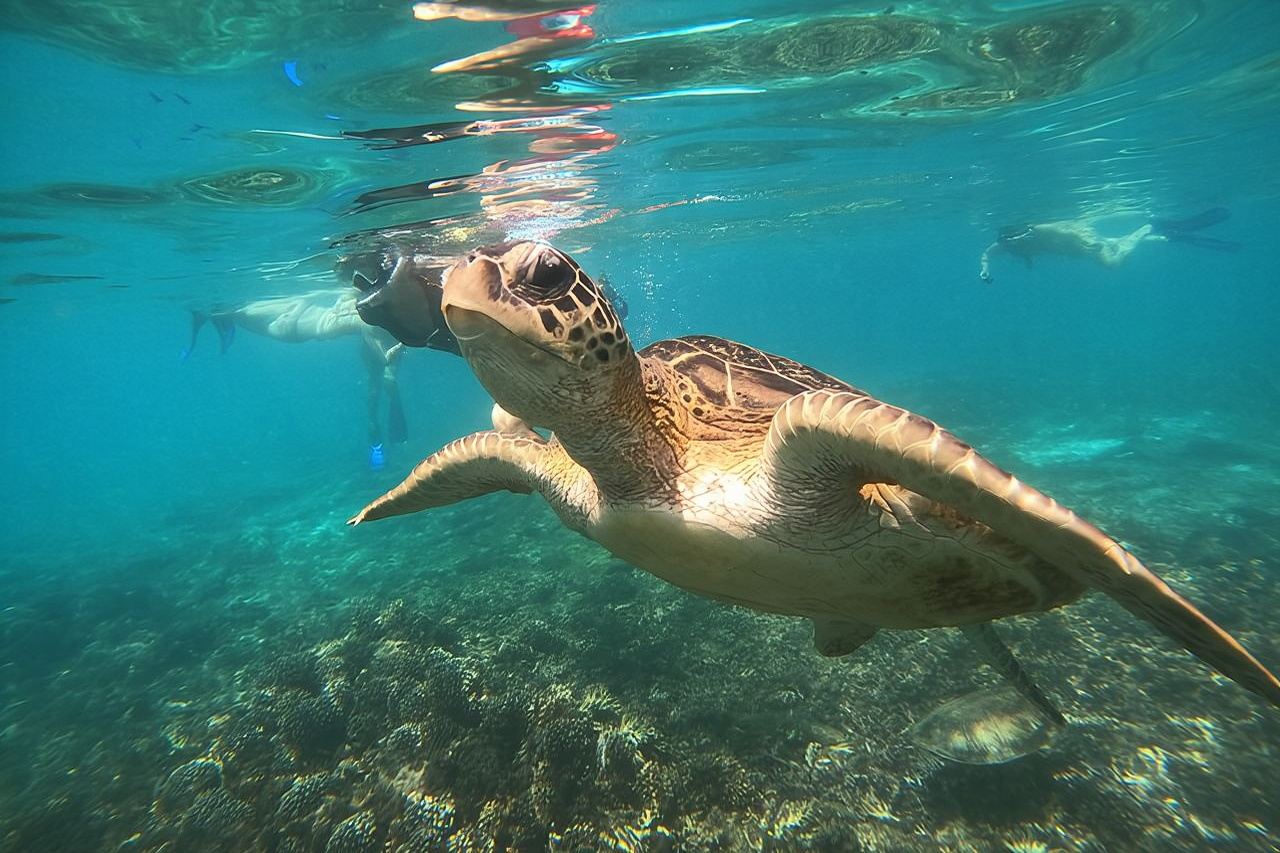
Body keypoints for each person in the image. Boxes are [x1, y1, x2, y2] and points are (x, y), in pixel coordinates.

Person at [184, 254, 460, 469]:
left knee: (375, 388)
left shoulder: (367, 314)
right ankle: (215, 318)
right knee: (378, 386)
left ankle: (215, 318)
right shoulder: (367, 316)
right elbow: (379, 343)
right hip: (291, 326)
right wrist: (391, 359)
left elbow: (378, 338)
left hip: (300, 321)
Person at [978, 207, 1240, 282]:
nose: (1018, 239)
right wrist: (985, 270)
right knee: (1118, 246)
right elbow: (987, 255)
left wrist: (1093, 244)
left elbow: (1077, 229)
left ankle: (1147, 227)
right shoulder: (1007, 244)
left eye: (1021, 234)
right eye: (1011, 238)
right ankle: (1166, 236)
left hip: (1085, 244)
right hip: (1078, 251)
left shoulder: (1041, 228)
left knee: (1112, 264)